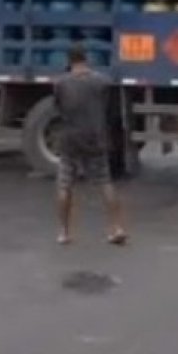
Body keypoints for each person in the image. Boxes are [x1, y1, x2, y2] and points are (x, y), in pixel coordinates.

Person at [53, 44, 127, 246]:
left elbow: (58, 109)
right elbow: (110, 111)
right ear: (86, 59)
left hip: (70, 140)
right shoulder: (102, 82)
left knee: (65, 185)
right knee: (105, 182)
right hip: (95, 138)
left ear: (68, 61)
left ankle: (64, 232)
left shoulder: (60, 83)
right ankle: (117, 228)